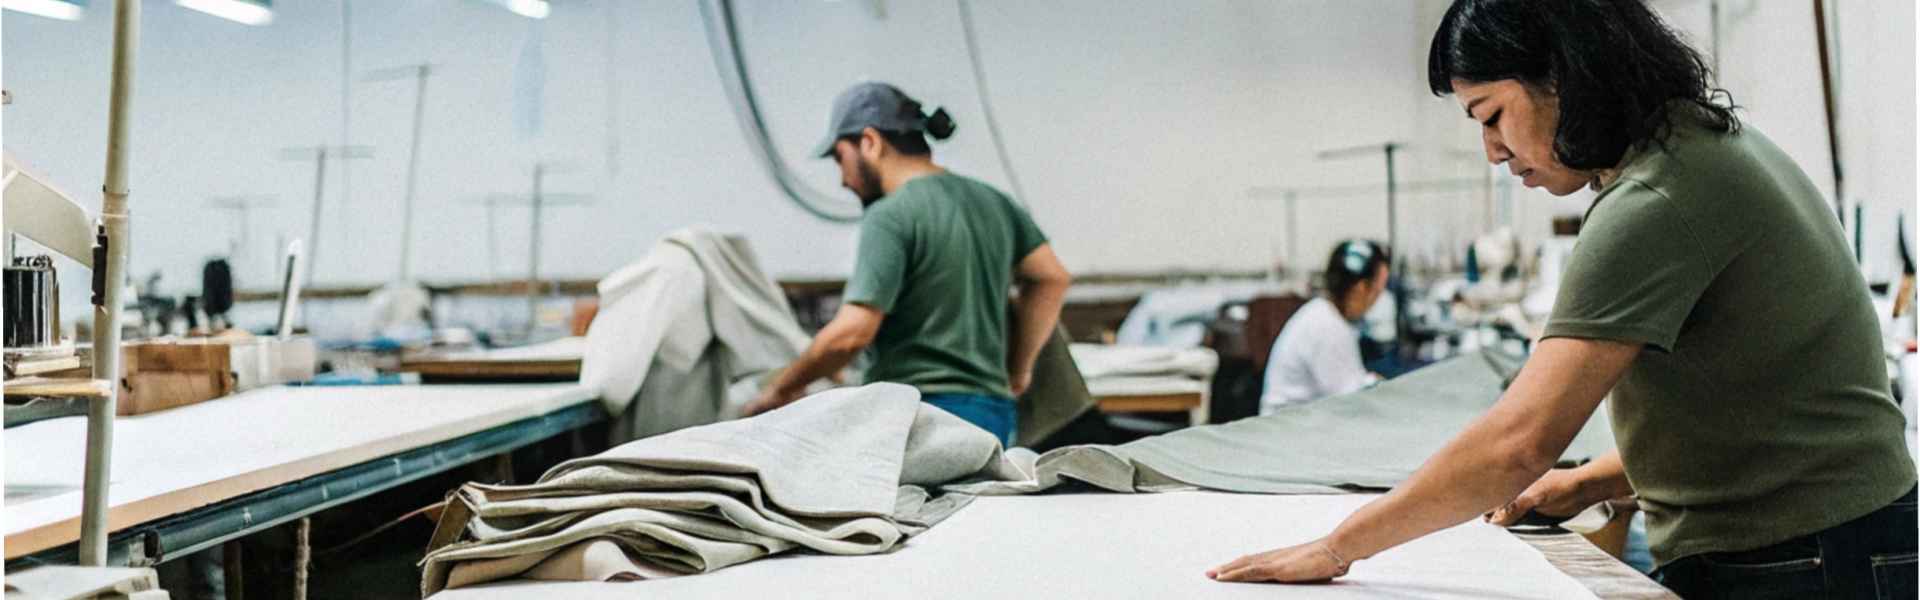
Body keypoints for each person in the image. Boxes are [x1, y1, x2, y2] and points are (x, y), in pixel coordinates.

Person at [1208, 2, 1917, 598]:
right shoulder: (1708, 148)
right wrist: (1587, 482)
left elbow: (1521, 441)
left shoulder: (1654, 199)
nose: (1491, 150)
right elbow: (1754, 412)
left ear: (1564, 76)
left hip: (1807, 559)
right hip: (1850, 539)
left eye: (1492, 114)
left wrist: (1338, 548)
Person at [741, 82, 1071, 448]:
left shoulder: (891, 214)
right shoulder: (995, 202)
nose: (843, 179)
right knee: (981, 506)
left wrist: (781, 390)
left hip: (917, 418)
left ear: (870, 142)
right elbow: (1050, 278)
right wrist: (1019, 368)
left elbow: (851, 333)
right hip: (993, 413)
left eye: (840, 158)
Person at [1259, 240, 1390, 412]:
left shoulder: (1322, 314)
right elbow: (1351, 400)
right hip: (1290, 431)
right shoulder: (1327, 326)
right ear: (1359, 290)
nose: (1375, 301)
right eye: (1376, 292)